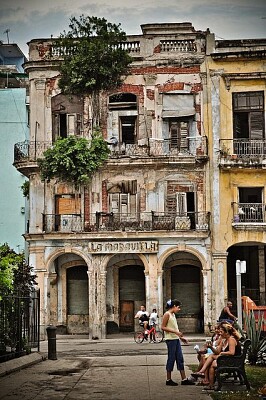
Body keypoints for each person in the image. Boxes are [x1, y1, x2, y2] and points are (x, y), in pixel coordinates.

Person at [191, 323, 241, 390]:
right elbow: (217, 352)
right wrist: (211, 347)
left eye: (221, 332)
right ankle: (210, 383)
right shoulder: (223, 340)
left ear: (226, 332)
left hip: (233, 360)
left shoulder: (231, 339)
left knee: (211, 358)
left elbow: (232, 353)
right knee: (212, 361)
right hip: (225, 359)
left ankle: (203, 374)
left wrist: (222, 353)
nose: (220, 333)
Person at [161, 299, 195, 386]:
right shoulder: (167, 314)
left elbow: (175, 328)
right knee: (171, 358)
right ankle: (168, 380)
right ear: (174, 306)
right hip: (170, 340)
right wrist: (175, 332)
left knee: (180, 359)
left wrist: (181, 337)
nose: (179, 309)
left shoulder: (173, 315)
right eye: (178, 307)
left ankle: (184, 379)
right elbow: (163, 327)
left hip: (176, 339)